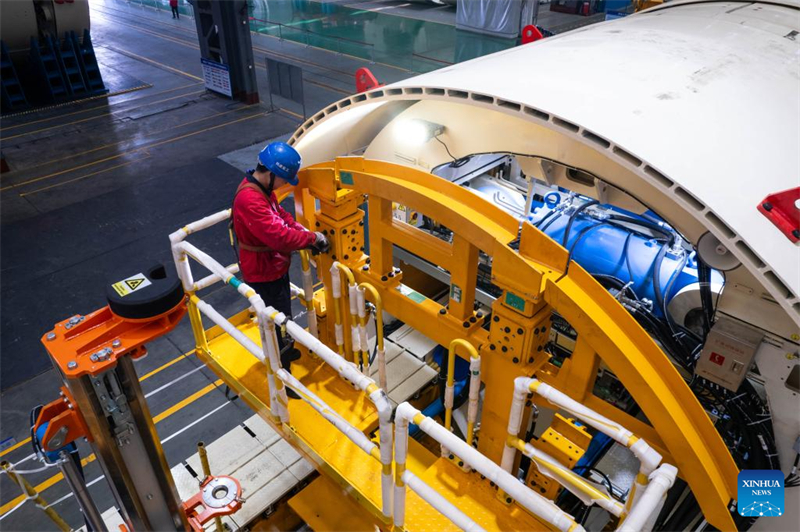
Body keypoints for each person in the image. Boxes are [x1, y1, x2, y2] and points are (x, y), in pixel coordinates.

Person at [231, 142, 329, 390]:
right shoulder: (250, 199)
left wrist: (303, 230)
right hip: (263, 273)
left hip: (274, 267)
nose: (284, 185)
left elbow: (282, 217)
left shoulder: (263, 189)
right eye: (283, 179)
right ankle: (282, 376)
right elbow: (279, 237)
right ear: (270, 173)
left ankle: (286, 352)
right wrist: (312, 239)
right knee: (274, 323)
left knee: (283, 314)